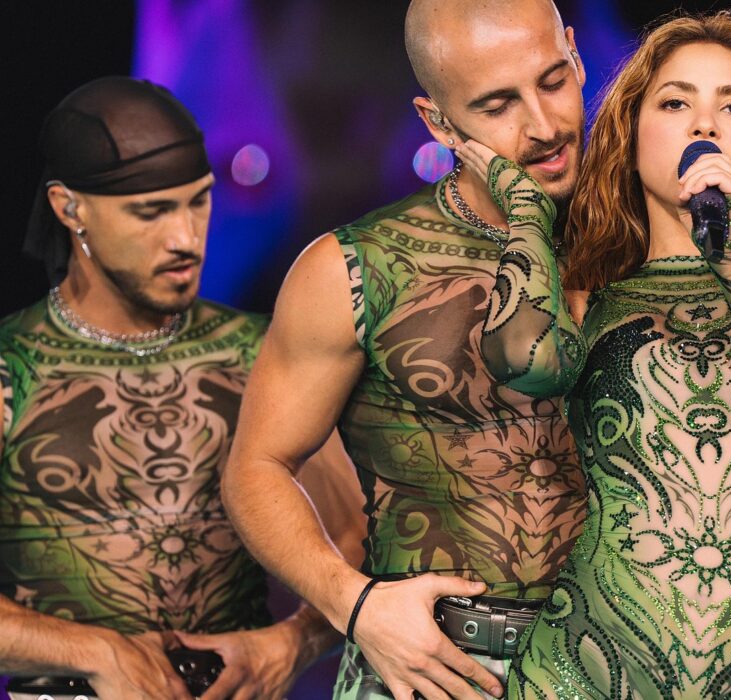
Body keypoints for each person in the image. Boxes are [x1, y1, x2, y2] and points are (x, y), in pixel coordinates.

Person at [453, 12, 731, 698]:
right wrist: (526, 212)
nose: (705, 125)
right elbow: (521, 360)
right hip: (580, 677)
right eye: (675, 103)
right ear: (630, 138)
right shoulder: (586, 297)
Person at [219, 1, 591, 698]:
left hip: (621, 660)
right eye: (497, 105)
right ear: (438, 122)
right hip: (430, 669)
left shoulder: (643, 243)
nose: (544, 126)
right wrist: (355, 604)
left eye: (552, 81)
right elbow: (256, 468)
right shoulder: (354, 268)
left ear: (575, 53)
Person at [0, 76, 361, 700]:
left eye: (198, 202)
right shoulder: (13, 365)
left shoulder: (259, 352)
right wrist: (95, 650)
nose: (185, 238)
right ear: (69, 208)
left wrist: (290, 643)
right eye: (151, 212)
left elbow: (361, 534)